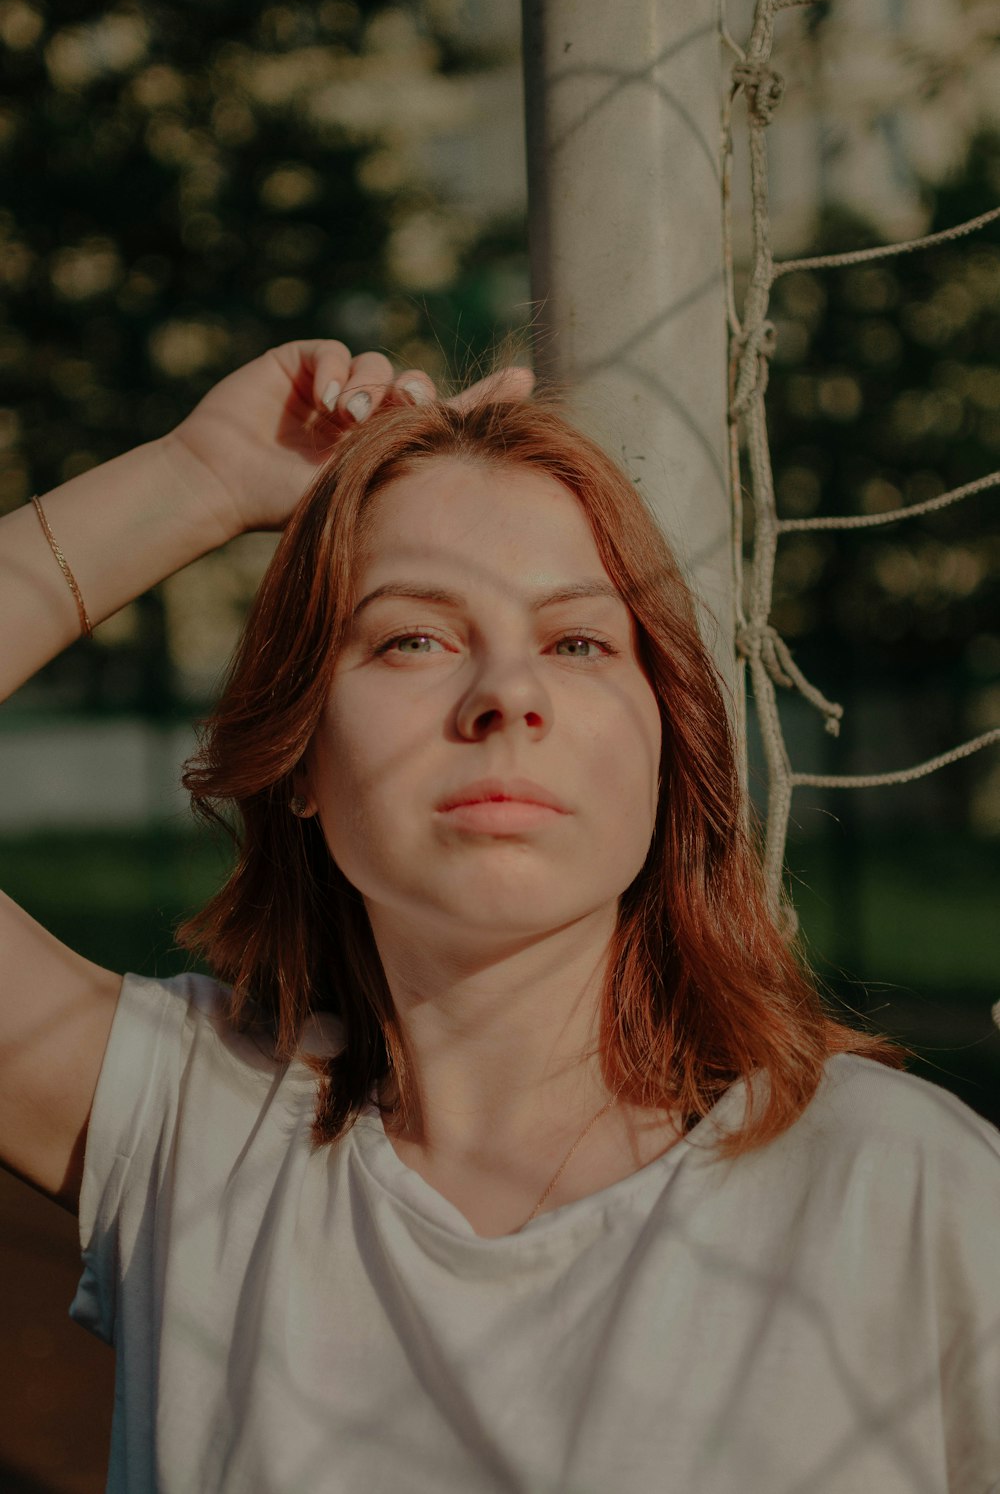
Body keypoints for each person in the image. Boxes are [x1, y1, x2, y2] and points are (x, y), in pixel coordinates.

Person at [1, 337, 998, 1494]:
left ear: (667, 746)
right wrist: (199, 482)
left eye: (577, 641)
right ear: (300, 762)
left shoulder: (909, 1187)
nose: (506, 695)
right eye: (413, 636)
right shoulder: (194, 1128)